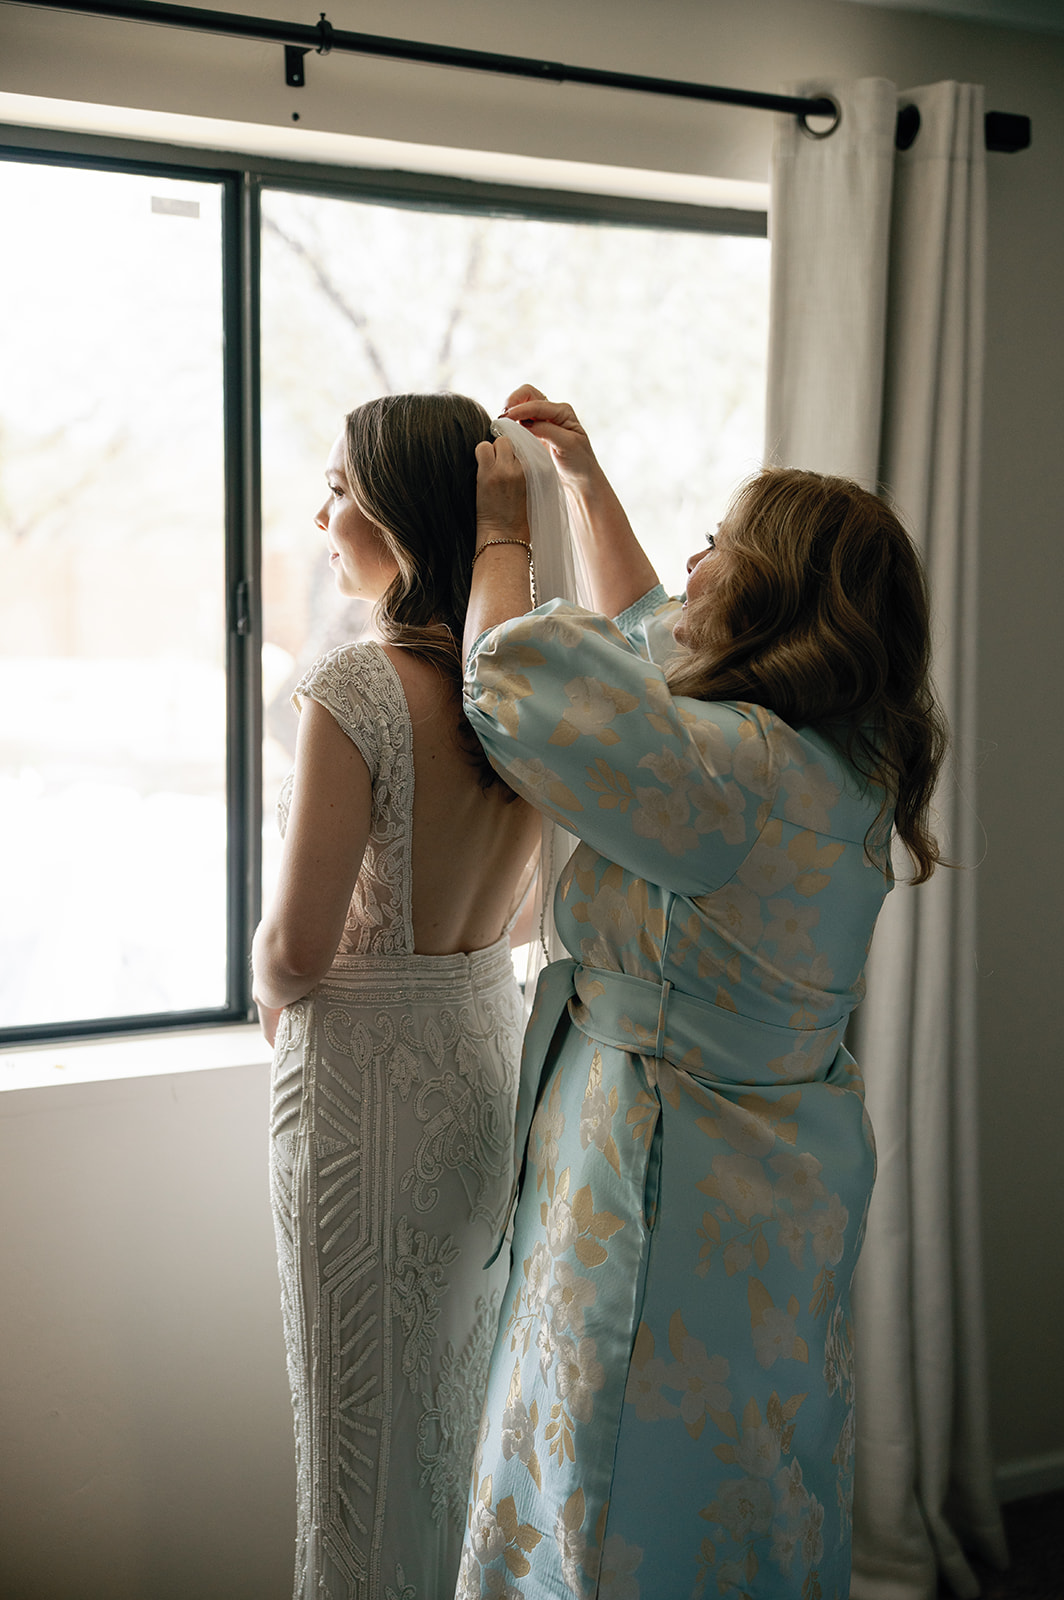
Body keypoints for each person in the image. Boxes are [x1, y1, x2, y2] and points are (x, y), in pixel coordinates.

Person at [454, 387, 948, 1600]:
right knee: (745, 1469)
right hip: (778, 1179)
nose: (694, 560)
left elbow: (517, 678)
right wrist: (585, 479)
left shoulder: (733, 776)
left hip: (663, 1173)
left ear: (773, 591)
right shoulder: (843, 761)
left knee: (614, 1467)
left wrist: (500, 537)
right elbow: (653, 629)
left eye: (721, 543)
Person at [251, 393, 550, 1600]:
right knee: (451, 1438)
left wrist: (261, 974)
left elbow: (298, 948)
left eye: (337, 485)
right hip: (484, 1079)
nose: (321, 513)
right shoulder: (523, 693)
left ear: (395, 508)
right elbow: (527, 912)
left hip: (363, 1111)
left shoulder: (356, 688)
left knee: (352, 1453)